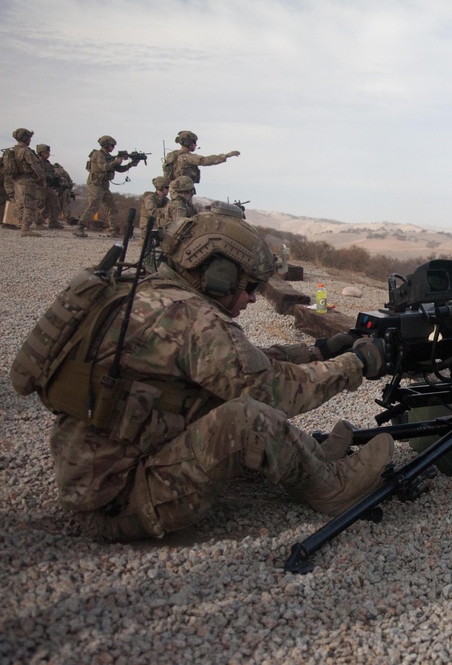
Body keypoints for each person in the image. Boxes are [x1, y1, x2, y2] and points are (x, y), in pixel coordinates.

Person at [45, 206, 394, 541]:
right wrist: (359, 363)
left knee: (230, 394)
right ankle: (331, 488)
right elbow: (273, 390)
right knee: (246, 416)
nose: (254, 299)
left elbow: (235, 365)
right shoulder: (192, 319)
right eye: (251, 286)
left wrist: (318, 350)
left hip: (101, 481)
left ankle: (311, 458)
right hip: (123, 501)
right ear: (219, 275)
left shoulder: (151, 294)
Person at [81, 135, 137, 237]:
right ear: (105, 144)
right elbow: (104, 167)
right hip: (96, 184)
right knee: (93, 206)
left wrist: (131, 164)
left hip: (103, 185)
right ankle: (80, 227)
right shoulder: (98, 155)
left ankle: (113, 230)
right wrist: (116, 161)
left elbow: (119, 169)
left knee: (112, 207)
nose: (113, 148)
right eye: (112, 145)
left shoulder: (108, 157)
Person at [2, 128, 46, 238]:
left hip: (17, 181)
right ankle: (25, 229)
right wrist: (42, 179)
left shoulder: (13, 151)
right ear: (25, 138)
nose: (30, 140)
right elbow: (35, 166)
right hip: (28, 181)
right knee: (29, 205)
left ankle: (22, 225)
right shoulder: (26, 151)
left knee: (21, 204)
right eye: (29, 138)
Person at [163, 130, 239, 186]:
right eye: (194, 143)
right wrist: (226, 156)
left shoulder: (173, 155)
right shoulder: (186, 157)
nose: (196, 145)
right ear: (188, 142)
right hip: (183, 189)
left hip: (175, 188)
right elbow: (206, 161)